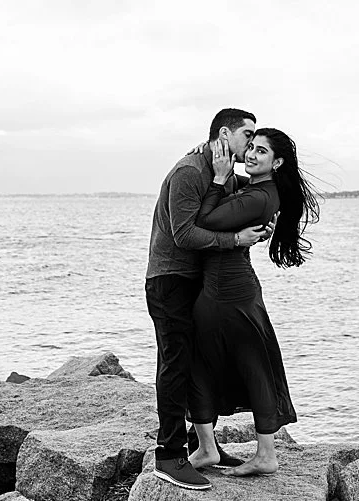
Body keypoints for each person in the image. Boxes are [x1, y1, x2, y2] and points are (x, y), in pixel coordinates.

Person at [144, 108, 271, 490]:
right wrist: (235, 239)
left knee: (201, 364)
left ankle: (206, 447)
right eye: (247, 134)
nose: (251, 142)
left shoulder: (224, 173)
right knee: (175, 364)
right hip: (169, 281)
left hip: (196, 281)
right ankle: (168, 456)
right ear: (223, 134)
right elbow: (184, 234)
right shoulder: (188, 171)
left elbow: (231, 210)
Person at [187, 128, 318, 476]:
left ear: (276, 162)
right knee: (246, 363)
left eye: (262, 152)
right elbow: (233, 177)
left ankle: (219, 450)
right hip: (233, 287)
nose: (252, 155)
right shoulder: (258, 189)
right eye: (252, 148)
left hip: (225, 291)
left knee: (209, 363)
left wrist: (216, 180)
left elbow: (204, 222)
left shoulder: (260, 196)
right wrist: (211, 152)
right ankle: (226, 449)